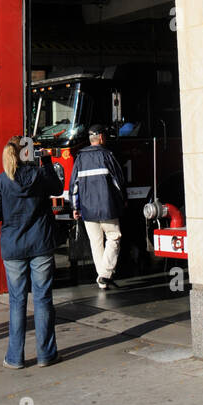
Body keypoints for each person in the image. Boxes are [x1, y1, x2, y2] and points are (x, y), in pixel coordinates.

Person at [0, 136, 64, 369]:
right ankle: (45, 355)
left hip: (13, 248)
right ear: (27, 154)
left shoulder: (1, 181)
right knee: (42, 299)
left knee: (17, 301)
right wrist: (48, 160)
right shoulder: (39, 176)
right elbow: (58, 188)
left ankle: (15, 357)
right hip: (40, 243)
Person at [70, 124, 127, 289]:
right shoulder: (107, 155)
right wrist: (123, 199)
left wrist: (75, 207)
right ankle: (105, 274)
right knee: (114, 237)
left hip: (87, 209)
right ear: (101, 137)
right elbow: (118, 181)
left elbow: (74, 185)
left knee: (96, 243)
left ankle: (102, 280)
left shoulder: (80, 158)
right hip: (107, 206)